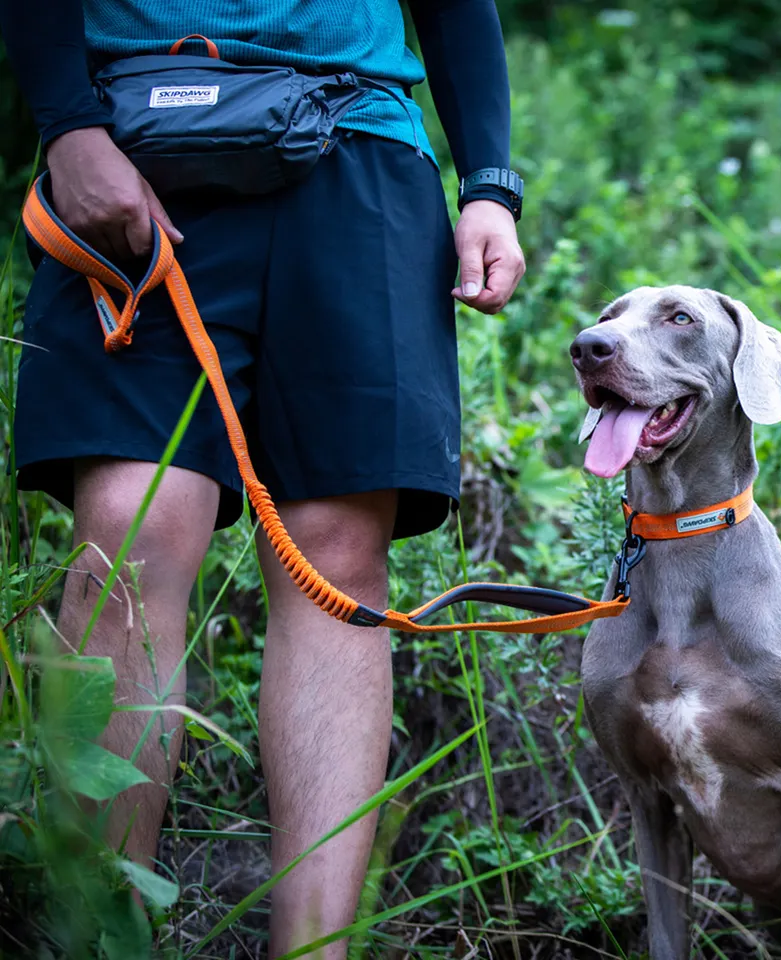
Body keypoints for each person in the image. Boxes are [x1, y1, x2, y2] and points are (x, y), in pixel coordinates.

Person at [0, 1, 525, 956]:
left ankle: (313, 951)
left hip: (360, 145)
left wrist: (489, 182)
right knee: (129, 530)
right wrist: (68, 125)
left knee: (337, 561)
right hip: (138, 138)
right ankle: (96, 937)